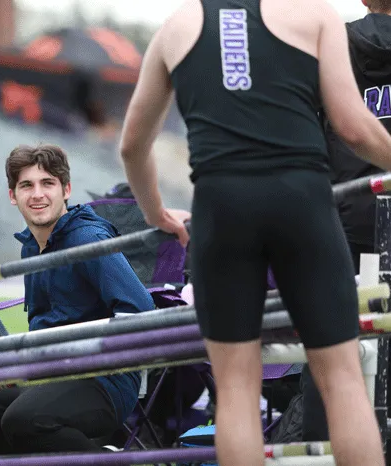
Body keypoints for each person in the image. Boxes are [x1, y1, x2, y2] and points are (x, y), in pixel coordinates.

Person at [118, 0, 391, 465]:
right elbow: (353, 127)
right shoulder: (315, 16)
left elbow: (131, 145)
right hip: (301, 199)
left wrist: (155, 212)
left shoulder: (177, 26)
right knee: (343, 378)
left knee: (238, 386)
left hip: (220, 206)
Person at [0, 144, 188, 454]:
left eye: (47, 183)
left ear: (65, 190)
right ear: (13, 196)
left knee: (24, 419)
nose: (37, 194)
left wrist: (93, 356)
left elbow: (140, 308)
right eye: (27, 185)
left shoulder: (87, 238)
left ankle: (105, 461)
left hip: (103, 380)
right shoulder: (29, 247)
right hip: (47, 377)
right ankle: (72, 454)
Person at [301, 0, 391, 442]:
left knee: (333, 353)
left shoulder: (330, 44)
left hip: (343, 218)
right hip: (356, 215)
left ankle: (328, 448)